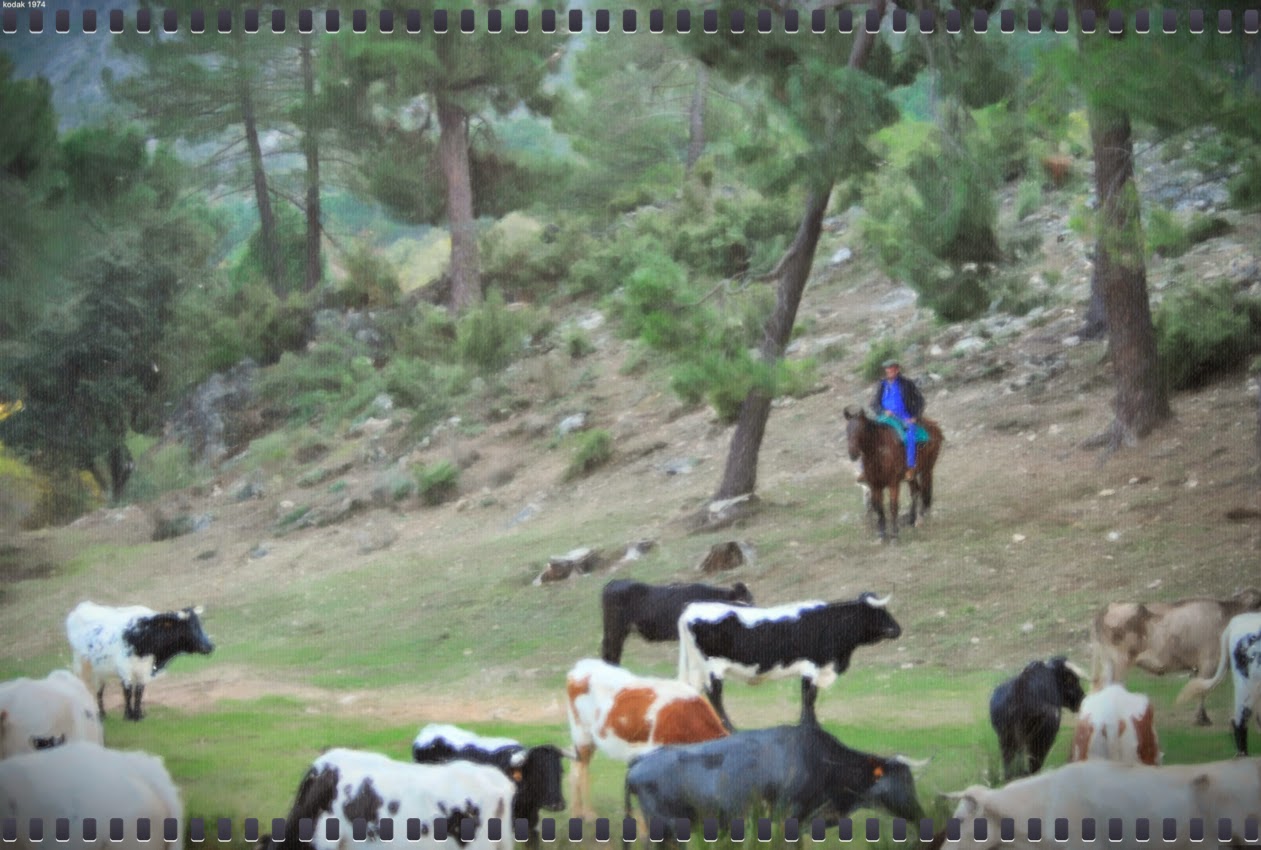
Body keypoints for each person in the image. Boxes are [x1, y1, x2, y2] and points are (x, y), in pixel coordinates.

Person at [869, 358, 925, 481]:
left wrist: (915, 416)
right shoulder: (882, 385)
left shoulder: (907, 384)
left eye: (891, 370)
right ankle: (865, 469)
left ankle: (910, 467)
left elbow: (920, 400)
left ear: (897, 370)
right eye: (887, 371)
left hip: (903, 416)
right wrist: (883, 411)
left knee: (910, 435)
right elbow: (873, 404)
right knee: (868, 436)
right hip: (885, 417)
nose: (889, 373)